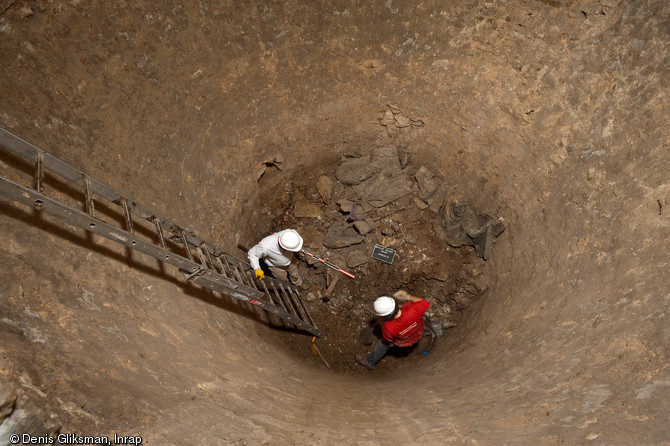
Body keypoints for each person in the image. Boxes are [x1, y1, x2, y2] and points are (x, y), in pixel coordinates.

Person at [355, 290, 429, 370]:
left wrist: (382, 324)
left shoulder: (388, 327)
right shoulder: (414, 310)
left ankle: (369, 362)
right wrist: (407, 297)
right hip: (416, 334)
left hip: (401, 342)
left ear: (385, 316)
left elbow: (388, 339)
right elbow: (424, 302)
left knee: (382, 345)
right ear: (395, 304)